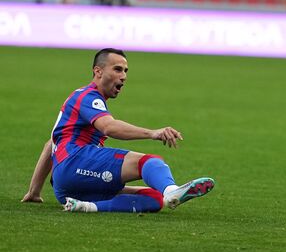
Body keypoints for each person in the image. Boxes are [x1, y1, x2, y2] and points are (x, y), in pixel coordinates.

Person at [21, 48, 215, 213]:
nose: (124, 76)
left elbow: (50, 145)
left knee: (155, 198)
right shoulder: (88, 97)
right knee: (151, 162)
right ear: (98, 71)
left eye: (126, 71)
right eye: (117, 69)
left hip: (65, 187)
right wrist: (152, 133)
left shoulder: (82, 99)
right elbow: (109, 127)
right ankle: (172, 189)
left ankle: (87, 206)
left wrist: (34, 191)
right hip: (76, 161)